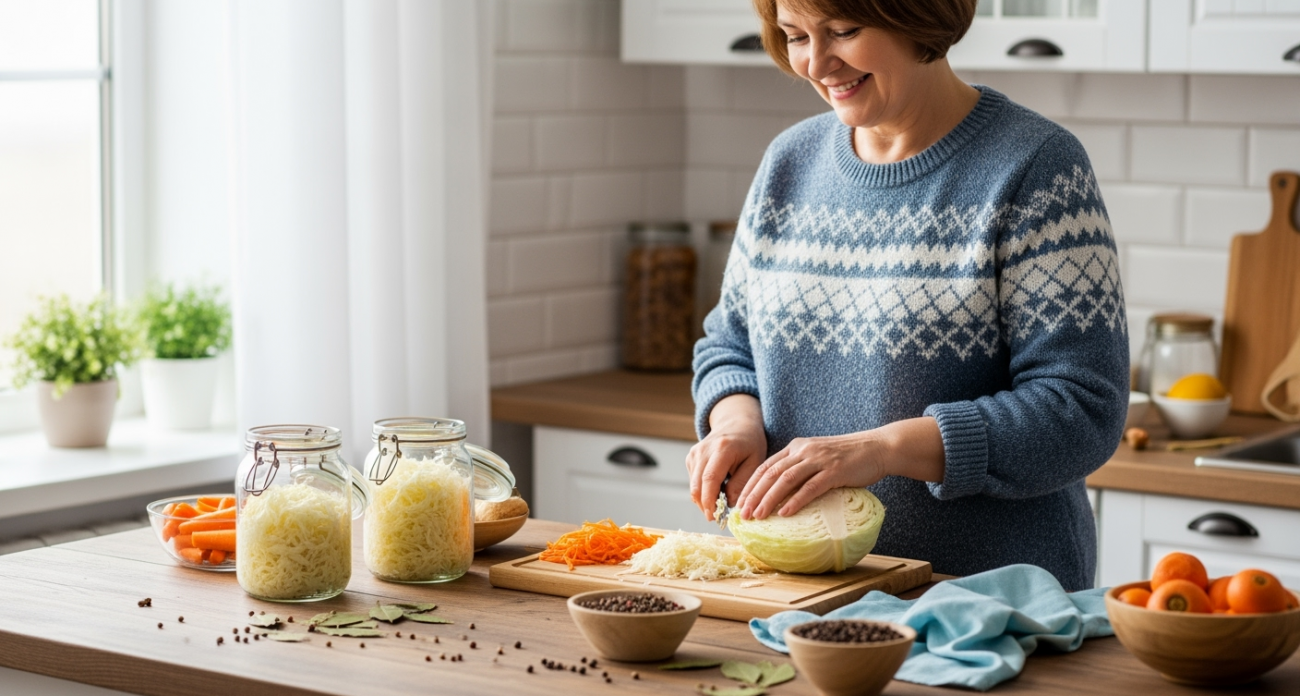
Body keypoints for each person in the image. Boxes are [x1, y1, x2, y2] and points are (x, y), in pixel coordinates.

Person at [686, 0, 1128, 592]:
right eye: (795, 36)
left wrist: (883, 449)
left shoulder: (1035, 167)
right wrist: (736, 422)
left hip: (988, 600)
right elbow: (729, 345)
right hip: (802, 595)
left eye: (843, 31)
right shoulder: (788, 163)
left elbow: (1080, 409)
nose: (815, 63)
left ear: (920, 16)